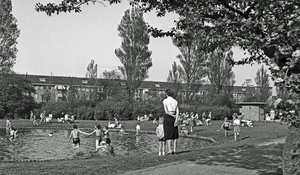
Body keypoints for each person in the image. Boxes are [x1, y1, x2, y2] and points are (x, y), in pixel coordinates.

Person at [163, 88, 179, 155]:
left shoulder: (165, 101)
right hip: (174, 115)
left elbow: (166, 111)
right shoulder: (175, 101)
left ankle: (170, 150)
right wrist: (176, 118)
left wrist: (172, 116)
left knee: (168, 134)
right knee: (175, 134)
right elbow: (177, 111)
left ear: (166, 94)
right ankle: (175, 150)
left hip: (168, 117)